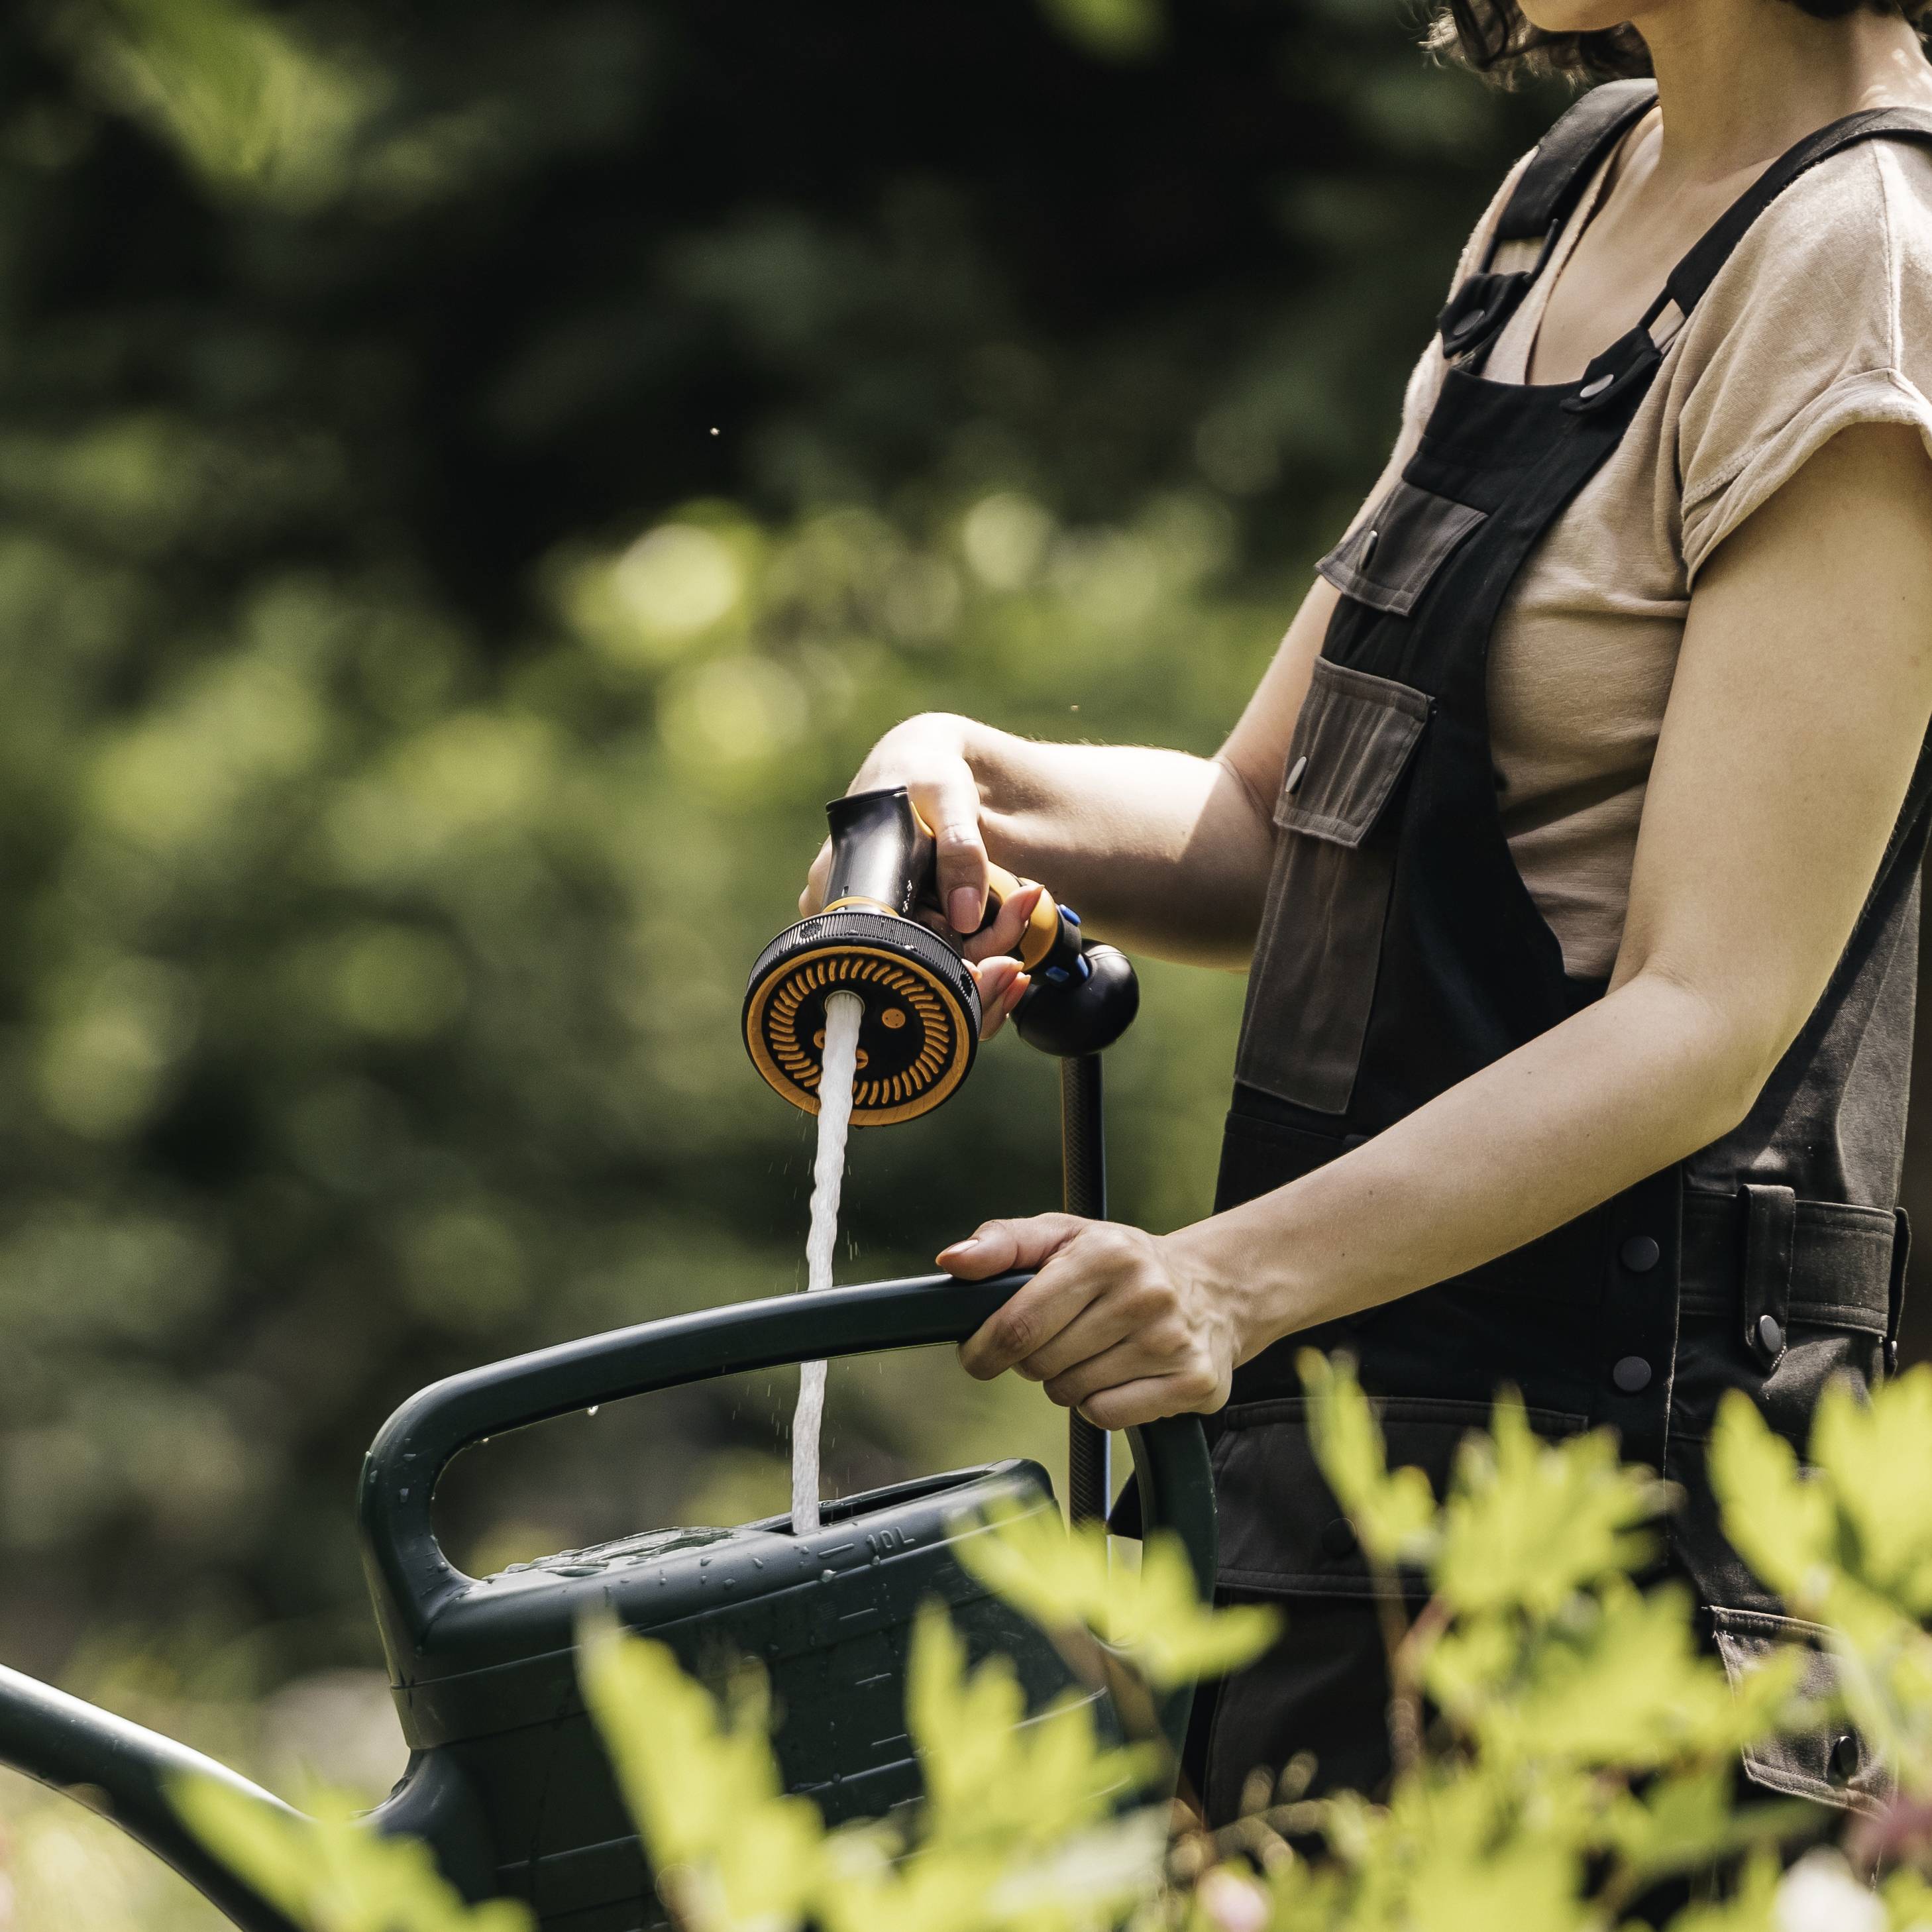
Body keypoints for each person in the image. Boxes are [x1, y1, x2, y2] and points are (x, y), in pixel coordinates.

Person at [804, 0, 1932, 1828]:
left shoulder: (1861, 261)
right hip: (1351, 1477)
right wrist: (969, 776)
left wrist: (1216, 1281)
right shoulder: (1576, 191)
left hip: (1620, 1554)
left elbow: (1705, 1015)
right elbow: (1274, 823)